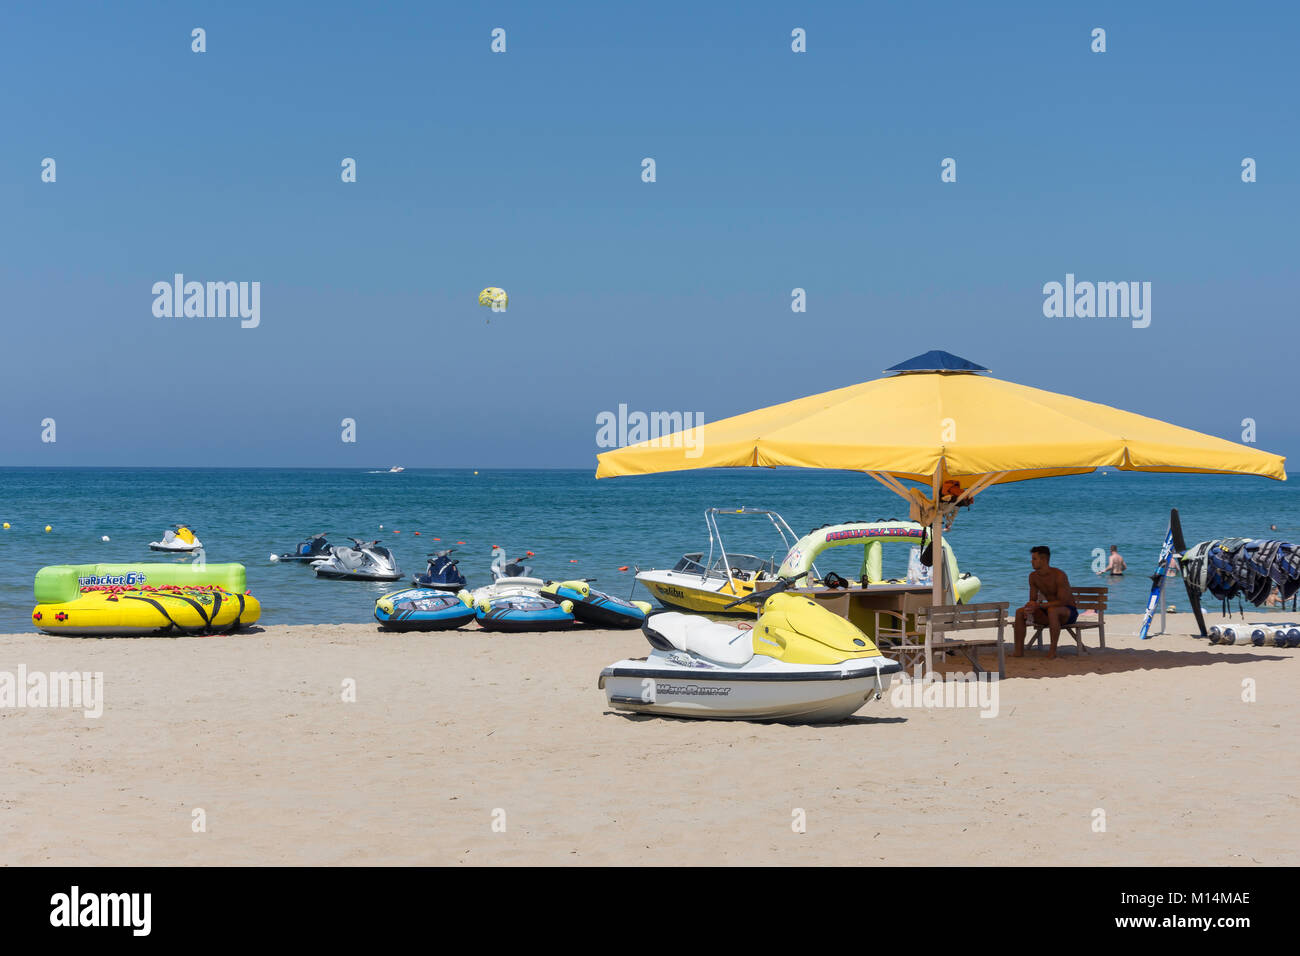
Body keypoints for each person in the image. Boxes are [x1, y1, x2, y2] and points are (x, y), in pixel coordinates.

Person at [1013, 545, 1077, 659]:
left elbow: (1063, 601)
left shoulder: (1059, 575)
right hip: (1048, 610)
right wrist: (1030, 606)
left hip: (1067, 612)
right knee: (1019, 612)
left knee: (1053, 611)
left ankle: (1052, 651)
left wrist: (1040, 605)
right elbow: (1033, 599)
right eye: (1032, 559)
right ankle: (1018, 651)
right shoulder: (1033, 577)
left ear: (1043, 560)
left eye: (1034, 559)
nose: (1031, 561)